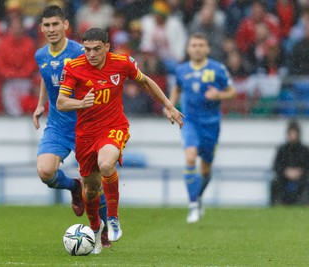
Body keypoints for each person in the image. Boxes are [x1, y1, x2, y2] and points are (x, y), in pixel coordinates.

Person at [57, 27, 184, 254]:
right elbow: (61, 102)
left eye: (97, 49)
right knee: (90, 189)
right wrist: (81, 103)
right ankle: (96, 229)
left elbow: (145, 82)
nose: (92, 54)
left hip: (114, 127)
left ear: (107, 47)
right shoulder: (73, 67)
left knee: (106, 164)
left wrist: (169, 106)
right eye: (87, 49)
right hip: (85, 134)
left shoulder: (122, 63)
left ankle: (113, 217)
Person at [32, 6, 111, 248]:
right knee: (45, 171)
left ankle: (104, 229)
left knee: (93, 187)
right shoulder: (41, 55)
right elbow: (49, 80)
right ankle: (72, 186)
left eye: (55, 24)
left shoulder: (80, 51)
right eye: (47, 25)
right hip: (58, 125)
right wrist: (40, 105)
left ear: (66, 25)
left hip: (86, 125)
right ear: (41, 28)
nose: (51, 29)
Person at [168, 32, 236, 223]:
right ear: (188, 49)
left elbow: (232, 92)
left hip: (211, 124)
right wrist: (170, 106)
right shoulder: (181, 70)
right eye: (194, 45)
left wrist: (219, 95)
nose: (197, 48)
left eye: (201, 45)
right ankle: (192, 205)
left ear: (207, 48)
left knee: (205, 169)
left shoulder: (217, 69)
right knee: (190, 157)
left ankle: (198, 198)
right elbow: (177, 88)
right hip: (190, 122)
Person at [271, 120, 309, 205]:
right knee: (275, 182)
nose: (292, 136)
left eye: (294, 133)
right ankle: (278, 204)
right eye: (291, 133)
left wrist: (300, 171)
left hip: (301, 177)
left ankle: (303, 204)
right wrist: (285, 171)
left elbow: (307, 166)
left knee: (307, 183)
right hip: (284, 176)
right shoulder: (282, 149)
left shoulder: (305, 150)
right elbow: (276, 165)